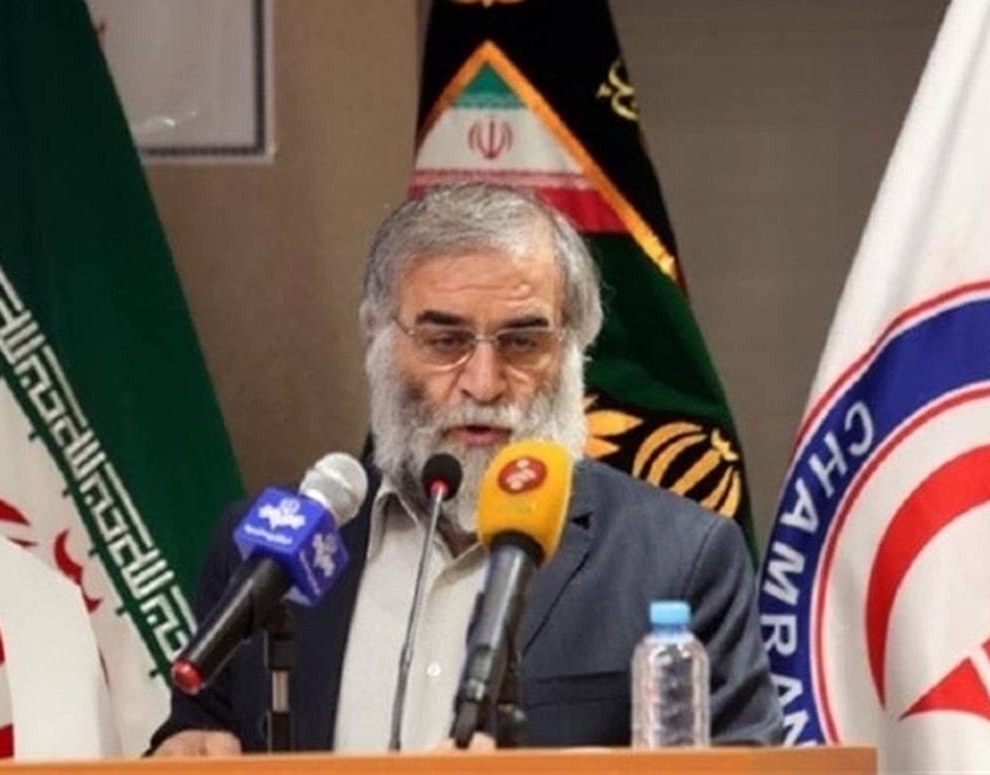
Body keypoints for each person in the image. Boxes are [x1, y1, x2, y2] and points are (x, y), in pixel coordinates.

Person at [150, 182, 783, 755]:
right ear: (376, 337)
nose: (483, 383)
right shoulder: (265, 554)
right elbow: (199, 735)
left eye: (523, 342)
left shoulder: (681, 558)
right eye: (445, 341)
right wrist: (182, 754)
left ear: (574, 349)